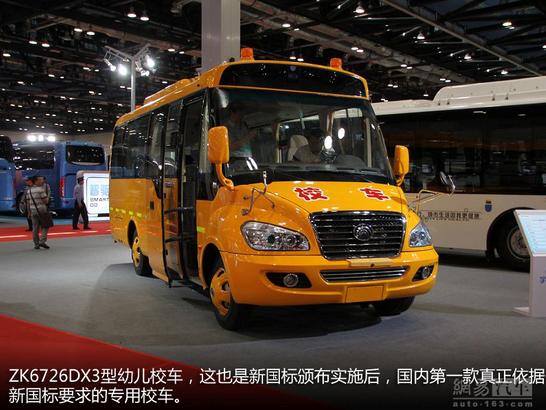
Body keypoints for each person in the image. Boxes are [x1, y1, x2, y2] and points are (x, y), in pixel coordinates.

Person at [26, 175, 50, 249]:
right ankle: (42, 241)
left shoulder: (29, 191)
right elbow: (46, 201)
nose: (42, 181)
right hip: (42, 210)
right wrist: (47, 198)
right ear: (36, 181)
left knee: (35, 227)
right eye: (40, 180)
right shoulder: (40, 190)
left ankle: (36, 244)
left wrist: (29, 212)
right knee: (45, 225)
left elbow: (28, 203)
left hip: (33, 210)